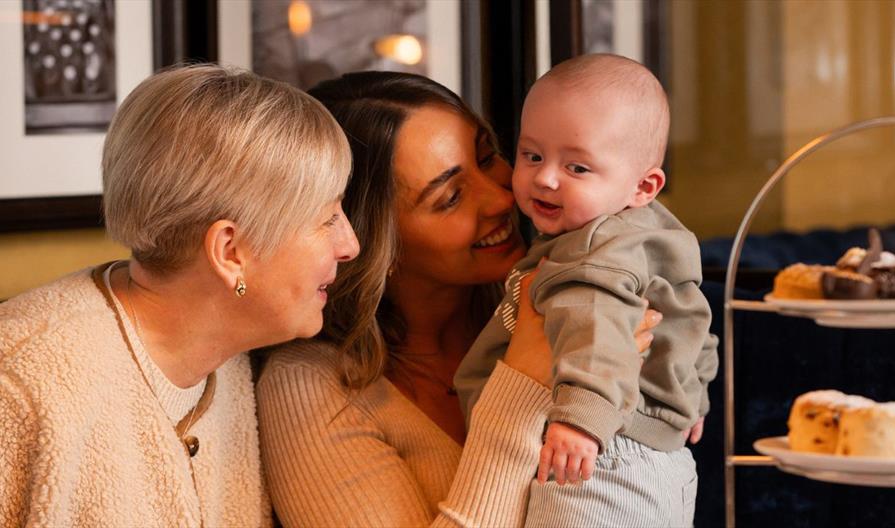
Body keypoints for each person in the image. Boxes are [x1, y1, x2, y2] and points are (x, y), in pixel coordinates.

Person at [255, 71, 663, 527]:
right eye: (450, 197)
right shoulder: (310, 388)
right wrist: (522, 382)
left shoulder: (575, 296)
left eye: (488, 158)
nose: (501, 198)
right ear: (369, 239)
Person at [0, 64, 359, 526]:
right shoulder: (21, 386)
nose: (350, 245)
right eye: (327, 218)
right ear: (230, 252)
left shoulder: (224, 359)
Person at [454, 53, 719, 527]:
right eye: (532, 155)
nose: (546, 177)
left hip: (599, 458)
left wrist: (580, 421)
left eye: (577, 167)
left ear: (644, 185)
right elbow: (693, 320)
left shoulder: (592, 252)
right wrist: (688, 397)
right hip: (656, 456)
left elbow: (594, 329)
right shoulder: (651, 236)